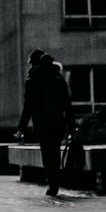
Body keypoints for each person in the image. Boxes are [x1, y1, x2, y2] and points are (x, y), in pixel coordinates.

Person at [16, 49, 75, 196]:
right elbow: (66, 103)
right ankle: (55, 181)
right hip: (58, 122)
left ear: (35, 63)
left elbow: (28, 106)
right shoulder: (58, 77)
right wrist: (71, 124)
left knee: (47, 153)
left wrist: (21, 128)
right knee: (55, 151)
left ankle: (52, 183)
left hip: (42, 123)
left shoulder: (32, 80)